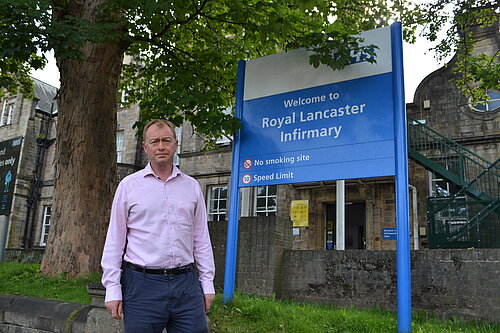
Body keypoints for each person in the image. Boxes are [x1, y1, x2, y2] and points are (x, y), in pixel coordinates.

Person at [101, 119, 215, 333]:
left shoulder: (192, 187)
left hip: (186, 285)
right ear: (145, 147)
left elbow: (201, 239)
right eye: (154, 141)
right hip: (141, 285)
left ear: (176, 144)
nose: (160, 146)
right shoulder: (128, 186)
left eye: (166, 140)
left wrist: (207, 283)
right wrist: (113, 288)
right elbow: (115, 241)